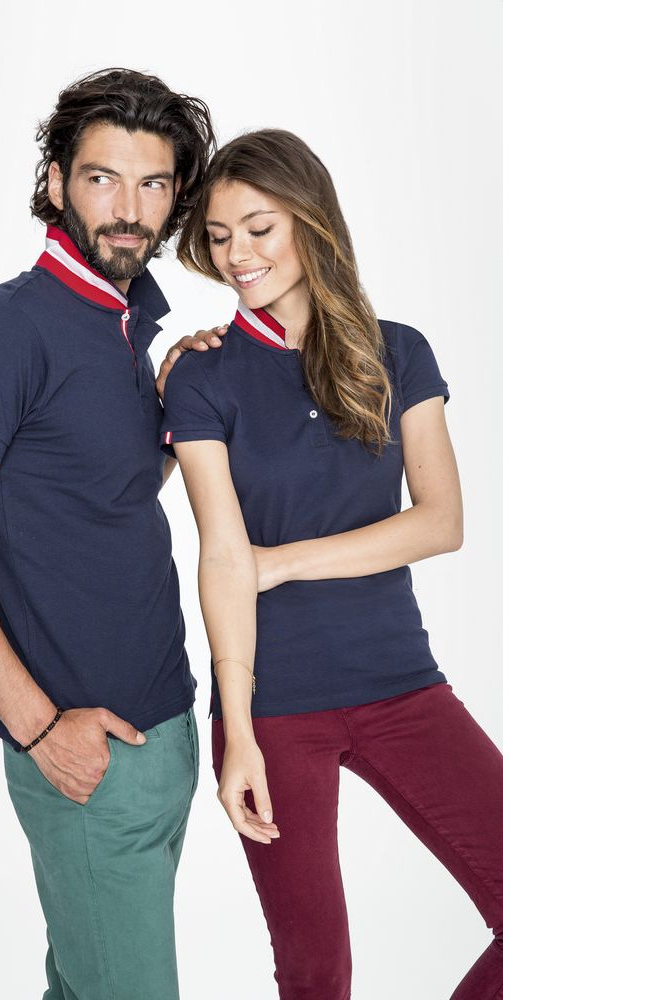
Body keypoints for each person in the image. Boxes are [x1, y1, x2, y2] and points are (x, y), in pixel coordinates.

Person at [0, 68, 226, 1000]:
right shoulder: (7, 331)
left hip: (162, 728)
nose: (129, 209)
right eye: (102, 178)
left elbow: (99, 493)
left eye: (153, 184)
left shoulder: (128, 319)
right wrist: (41, 729)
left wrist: (172, 406)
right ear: (55, 182)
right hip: (85, 755)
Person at [159, 129, 503, 1000]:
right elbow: (221, 557)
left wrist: (281, 563)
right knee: (316, 973)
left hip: (404, 682)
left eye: (259, 229)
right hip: (275, 707)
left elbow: (441, 522)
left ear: (311, 222)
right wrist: (238, 729)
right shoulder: (202, 377)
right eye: (219, 236)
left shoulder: (400, 352)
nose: (237, 255)